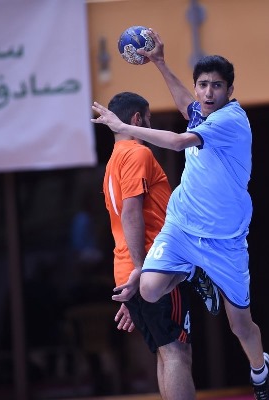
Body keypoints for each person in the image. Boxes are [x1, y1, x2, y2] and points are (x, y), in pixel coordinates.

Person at [92, 29, 269, 400]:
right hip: (181, 226)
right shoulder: (199, 114)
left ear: (229, 91)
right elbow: (185, 107)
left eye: (217, 86)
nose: (208, 93)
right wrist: (160, 63)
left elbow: (179, 141)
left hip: (224, 239)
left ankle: (261, 372)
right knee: (149, 289)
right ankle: (194, 272)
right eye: (202, 85)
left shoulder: (230, 121)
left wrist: (123, 127)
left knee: (240, 325)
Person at [101, 91, 195, 400]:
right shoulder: (137, 154)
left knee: (165, 352)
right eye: (149, 119)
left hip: (128, 269)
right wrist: (142, 270)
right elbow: (130, 212)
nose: (150, 126)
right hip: (154, 266)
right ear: (137, 119)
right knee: (177, 353)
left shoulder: (113, 162)